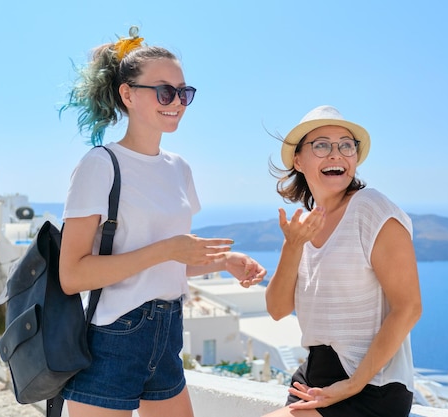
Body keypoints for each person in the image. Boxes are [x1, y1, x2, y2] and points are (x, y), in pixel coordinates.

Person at [58, 26, 266, 417]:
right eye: (165, 91)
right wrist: (165, 250)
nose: (177, 102)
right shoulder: (99, 166)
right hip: (113, 337)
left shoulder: (179, 169)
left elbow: (170, 264)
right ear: (127, 94)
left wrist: (222, 263)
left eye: (183, 92)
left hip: (168, 332)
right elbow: (72, 275)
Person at [264, 105, 422, 417]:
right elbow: (278, 309)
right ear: (298, 159)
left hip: (372, 387)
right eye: (321, 145)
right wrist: (292, 246)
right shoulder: (304, 226)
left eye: (346, 145)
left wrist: (352, 385)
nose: (336, 154)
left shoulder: (372, 209)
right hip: (314, 380)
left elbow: (409, 307)